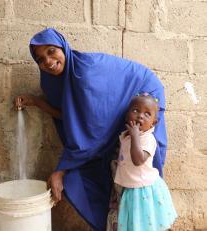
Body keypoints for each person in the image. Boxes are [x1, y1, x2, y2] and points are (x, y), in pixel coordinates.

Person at [14, 28, 167, 231]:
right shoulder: (56, 80)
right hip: (119, 108)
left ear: (64, 47)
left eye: (52, 51)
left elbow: (92, 131)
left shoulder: (84, 75)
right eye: (40, 59)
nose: (48, 61)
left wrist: (61, 170)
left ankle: (148, 225)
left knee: (140, 172)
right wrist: (36, 102)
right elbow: (71, 115)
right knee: (115, 169)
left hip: (143, 100)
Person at [114, 93, 177, 230]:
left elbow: (138, 160)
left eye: (147, 114)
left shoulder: (148, 139)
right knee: (134, 223)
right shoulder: (126, 136)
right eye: (135, 110)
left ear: (153, 123)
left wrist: (135, 135)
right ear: (127, 115)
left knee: (145, 224)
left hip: (144, 191)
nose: (140, 116)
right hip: (131, 188)